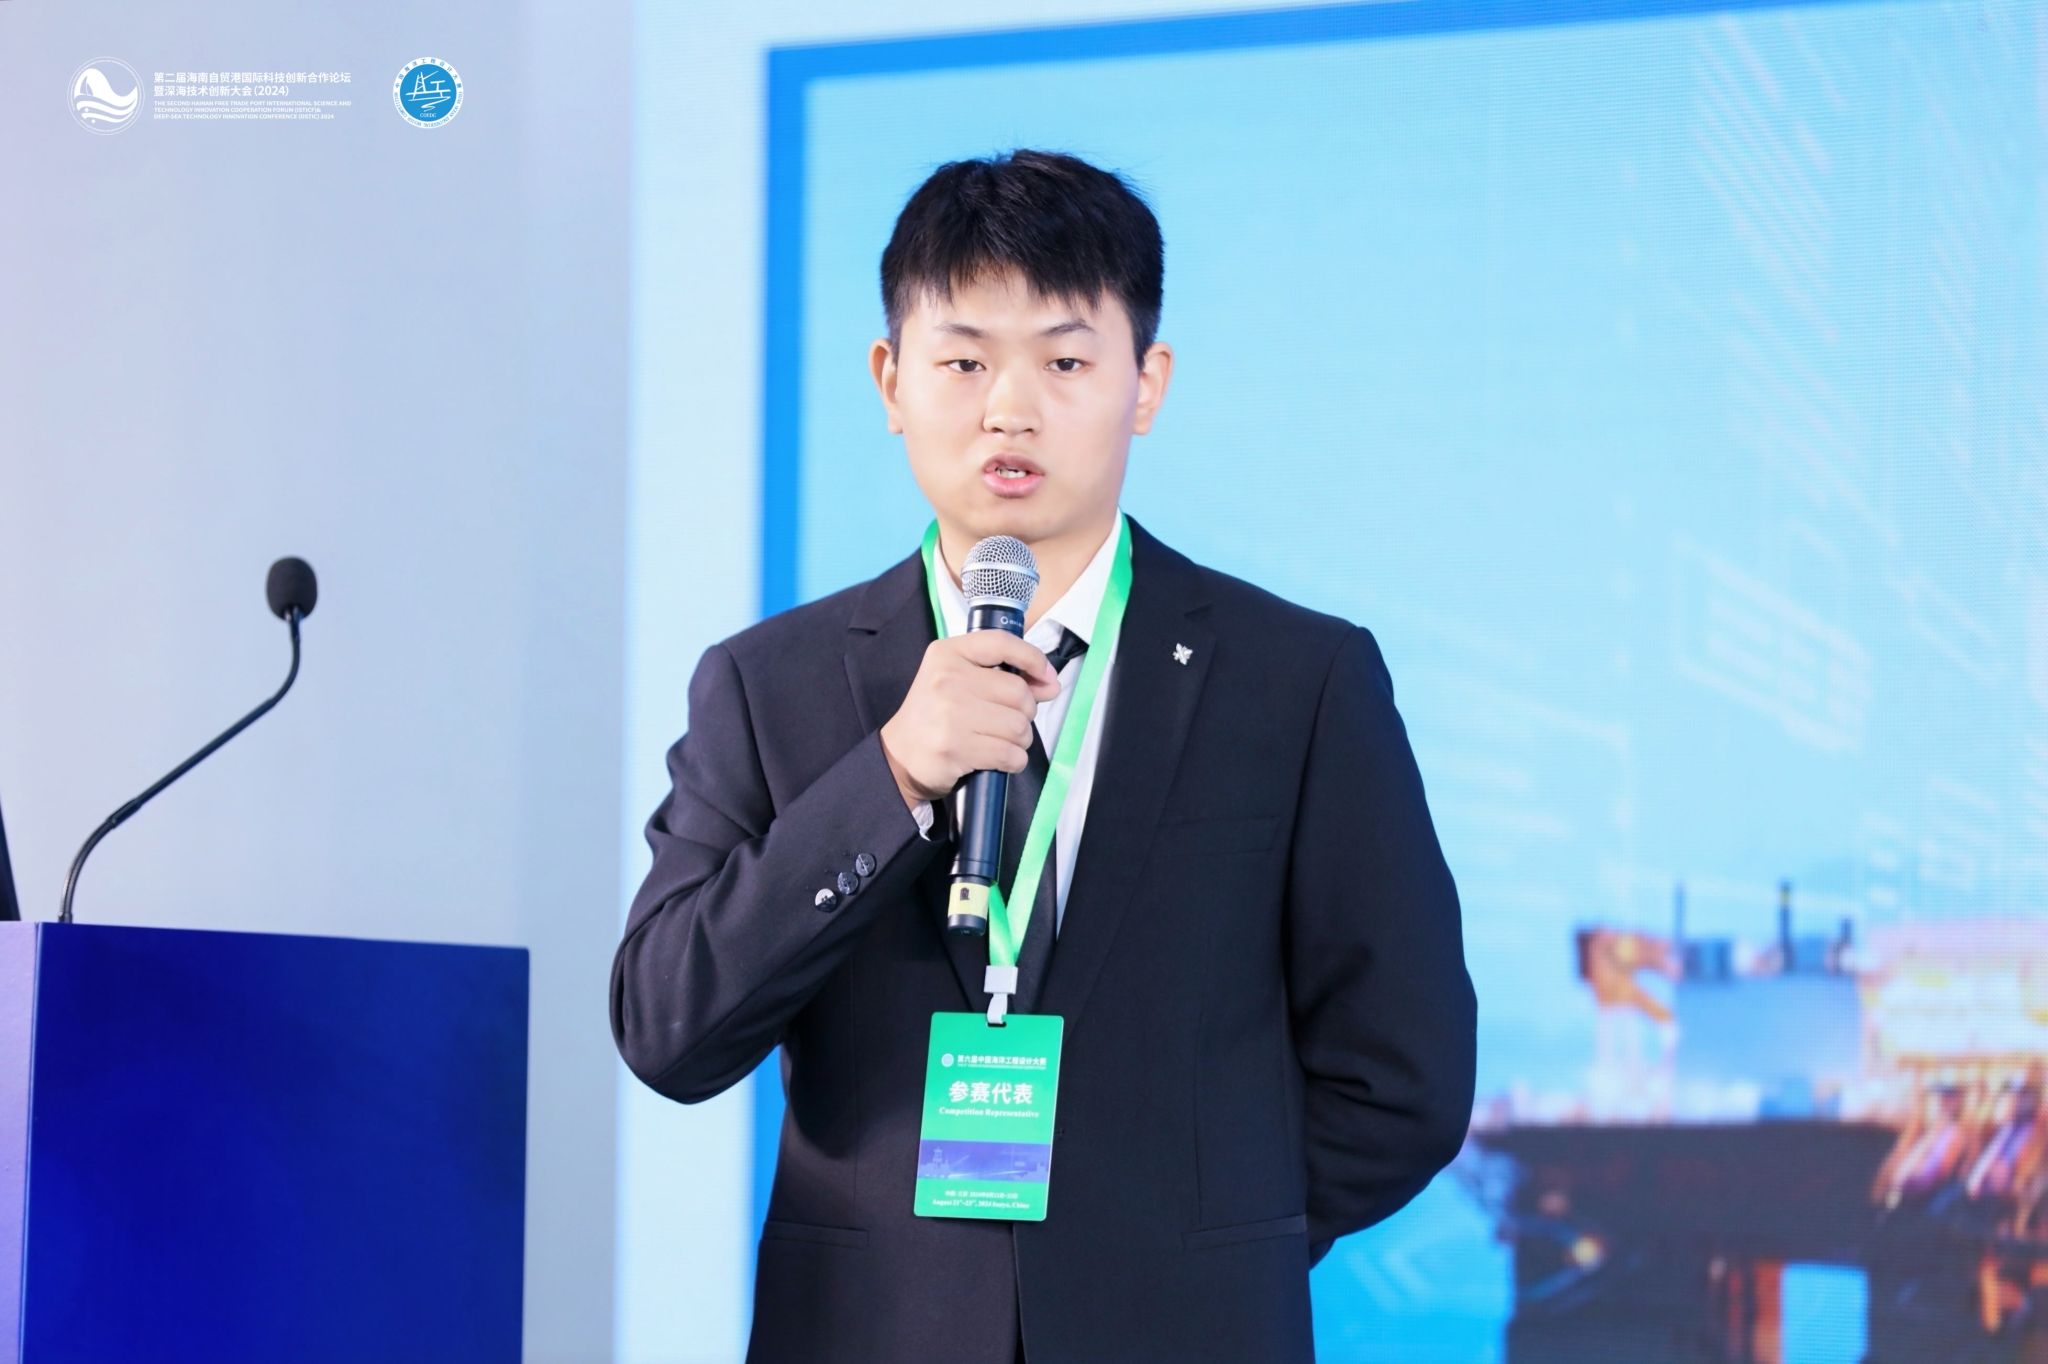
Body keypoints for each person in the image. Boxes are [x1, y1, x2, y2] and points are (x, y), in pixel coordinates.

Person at [611, 147, 1476, 1364]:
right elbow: (666, 1023)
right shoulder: (769, 685)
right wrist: (890, 777)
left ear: (1144, 384)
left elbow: (1404, 1074)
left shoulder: (1298, 679)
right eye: (962, 360)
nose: (1007, 409)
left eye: (1064, 361)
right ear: (890, 380)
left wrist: (1200, 1234)